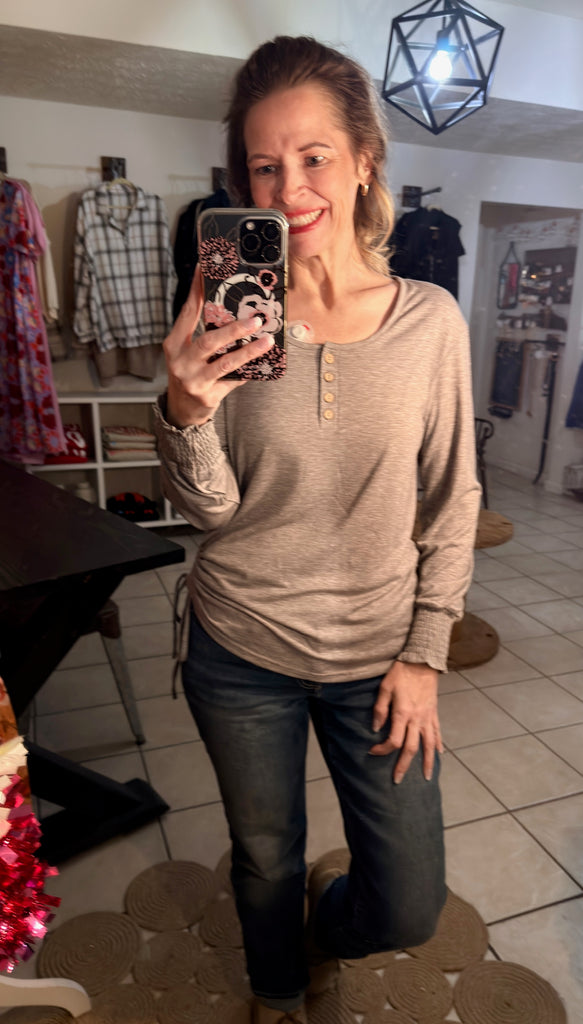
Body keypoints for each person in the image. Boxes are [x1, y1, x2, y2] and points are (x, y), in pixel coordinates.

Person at [154, 35, 481, 1024]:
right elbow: (212, 512)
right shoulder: (229, 317)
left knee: (409, 899)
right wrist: (184, 409)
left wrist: (425, 653)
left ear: (363, 161)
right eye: (263, 166)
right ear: (240, 183)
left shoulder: (428, 321)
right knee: (264, 853)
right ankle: (277, 988)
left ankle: (324, 929)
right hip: (240, 644)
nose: (289, 188)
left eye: (313, 157)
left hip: (378, 658)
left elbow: (452, 497)